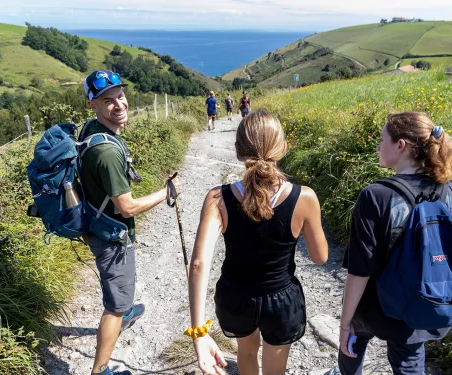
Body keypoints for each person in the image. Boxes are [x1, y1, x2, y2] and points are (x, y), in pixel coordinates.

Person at [187, 110, 329, 375]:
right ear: (282, 147)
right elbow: (320, 257)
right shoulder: (305, 197)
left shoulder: (218, 198)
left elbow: (198, 264)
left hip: (236, 297)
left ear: (239, 150)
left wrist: (199, 332)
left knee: (246, 352)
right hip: (281, 301)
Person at [338, 112, 452, 375]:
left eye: (382, 139)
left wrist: (344, 325)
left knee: (352, 340)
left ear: (400, 146)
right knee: (409, 362)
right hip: (422, 305)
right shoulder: (449, 192)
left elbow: (359, 271)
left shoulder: (375, 196)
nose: (378, 146)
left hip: (375, 310)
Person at [80, 70, 181, 375]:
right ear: (92, 105)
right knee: (114, 305)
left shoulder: (93, 130)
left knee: (118, 290)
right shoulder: (108, 151)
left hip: (97, 224)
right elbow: (127, 208)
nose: (119, 104)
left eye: (120, 95)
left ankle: (123, 309)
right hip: (112, 236)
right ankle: (101, 369)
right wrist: (166, 192)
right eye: (107, 100)